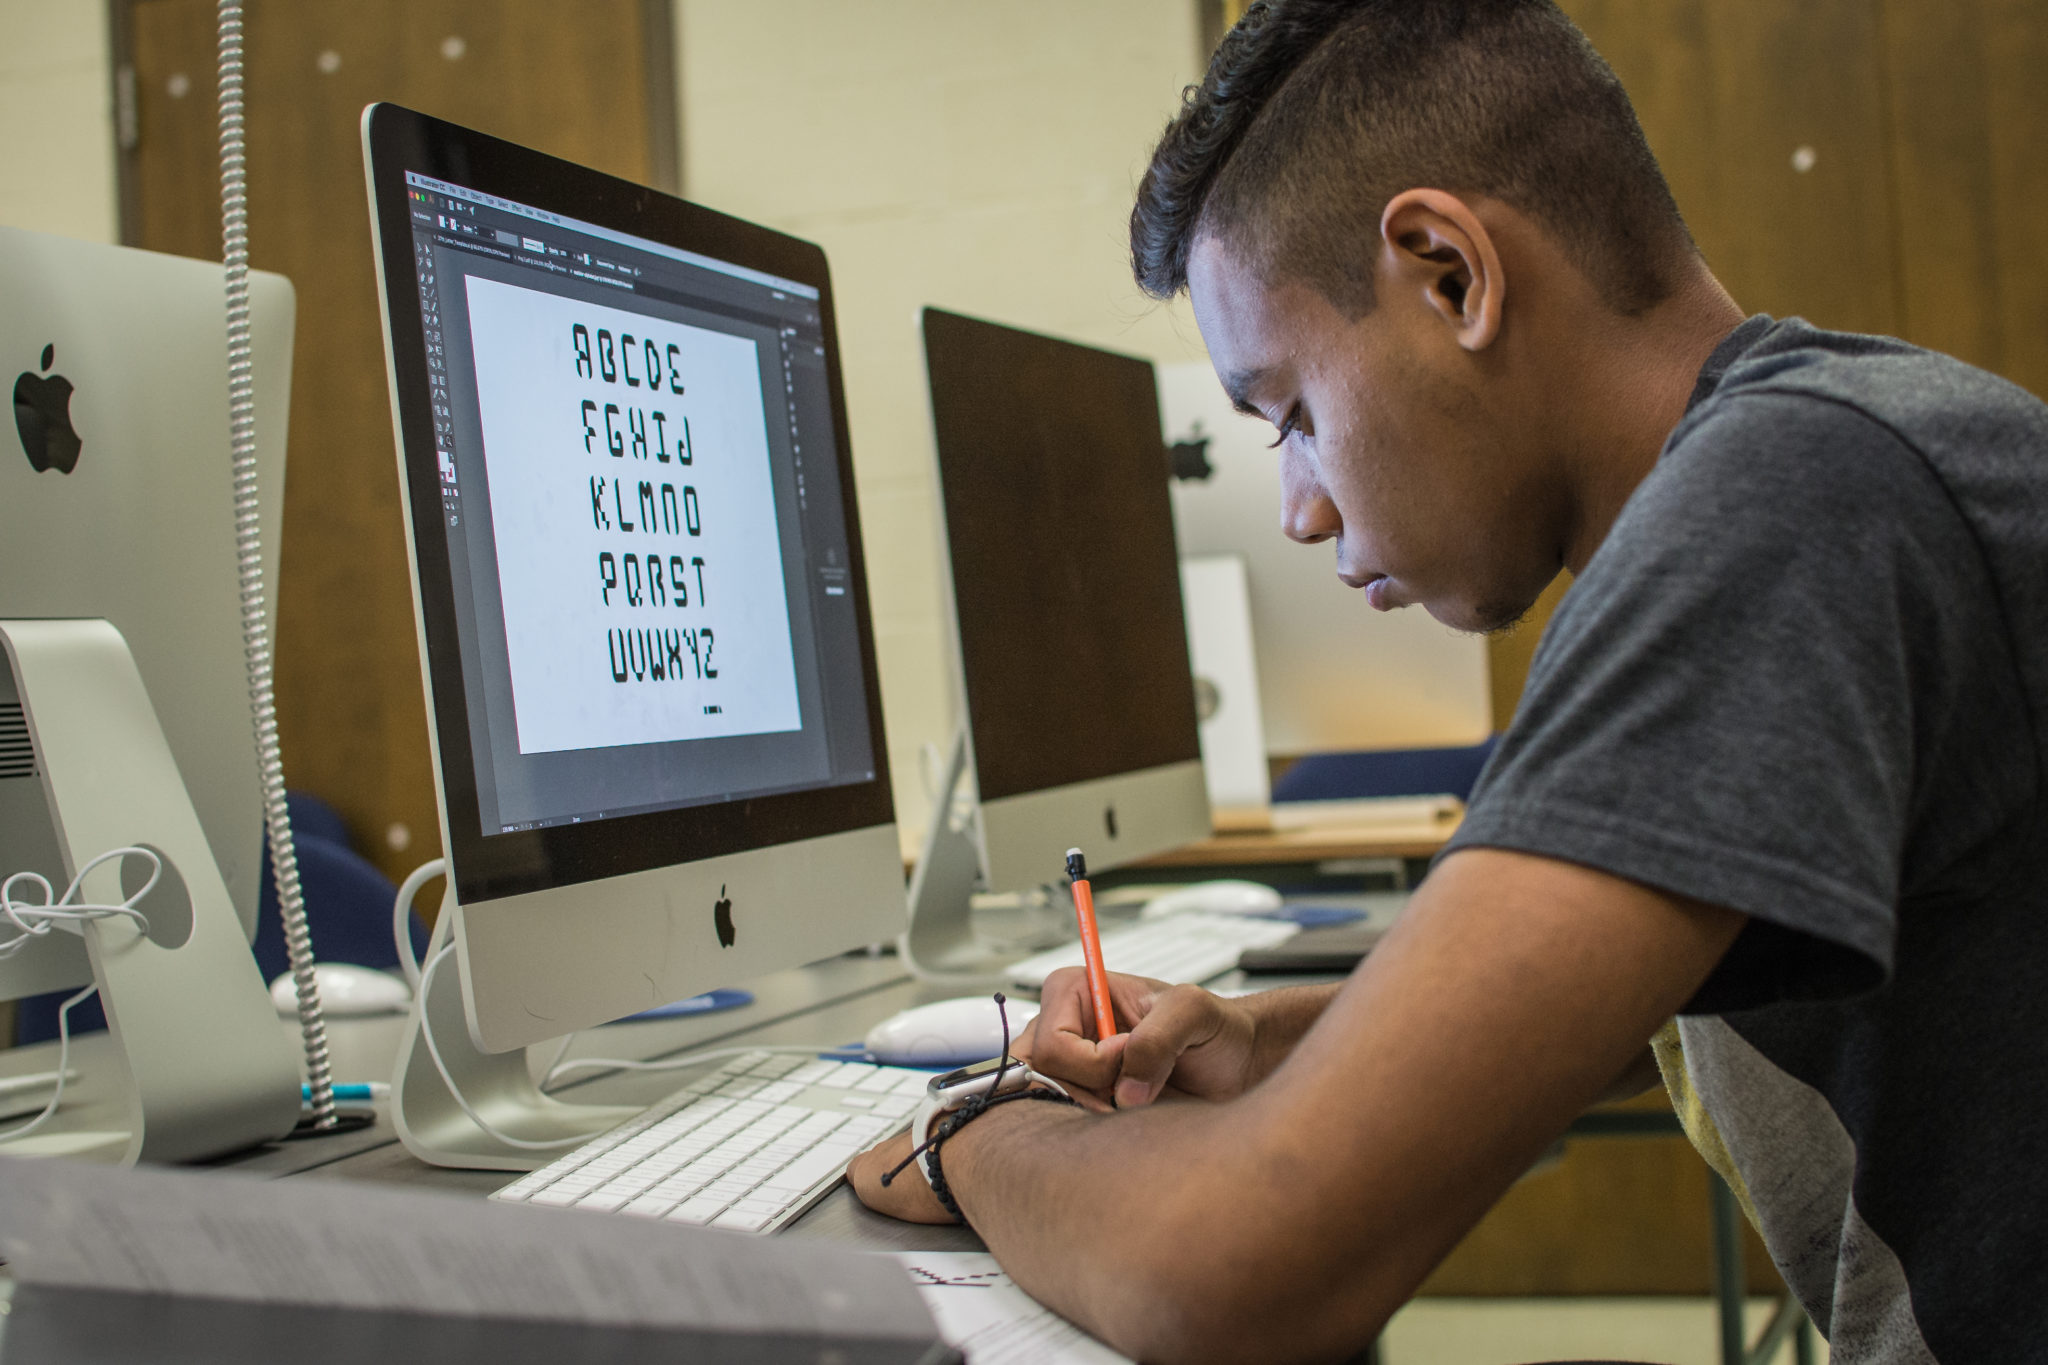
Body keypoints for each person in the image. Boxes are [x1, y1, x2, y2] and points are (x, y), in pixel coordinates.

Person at [848, 2, 2048, 1360]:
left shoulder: (1784, 507)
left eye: (1291, 415)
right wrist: (1272, 1038)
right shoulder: (1824, 447)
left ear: (1448, 273)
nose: (1297, 508)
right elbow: (1652, 987)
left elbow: (1234, 1273)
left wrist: (974, 1130)